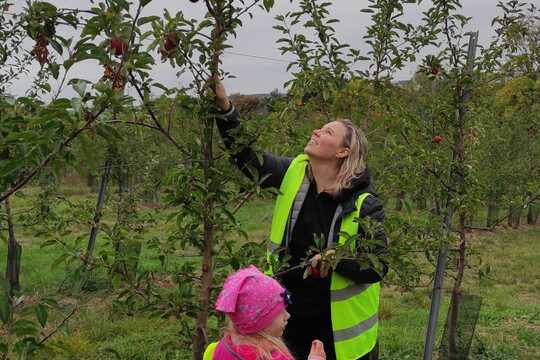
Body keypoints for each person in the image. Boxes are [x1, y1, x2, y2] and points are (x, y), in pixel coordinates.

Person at [212, 79, 388, 360]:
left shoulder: (365, 205)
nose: (317, 131)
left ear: (343, 152)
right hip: (287, 319)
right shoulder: (294, 173)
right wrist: (225, 109)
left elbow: (377, 266)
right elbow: (248, 158)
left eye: (328, 131)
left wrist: (336, 260)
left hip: (338, 333)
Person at [204, 265, 327, 360]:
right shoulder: (270, 356)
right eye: (279, 311)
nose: (287, 315)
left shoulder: (220, 348)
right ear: (259, 321)